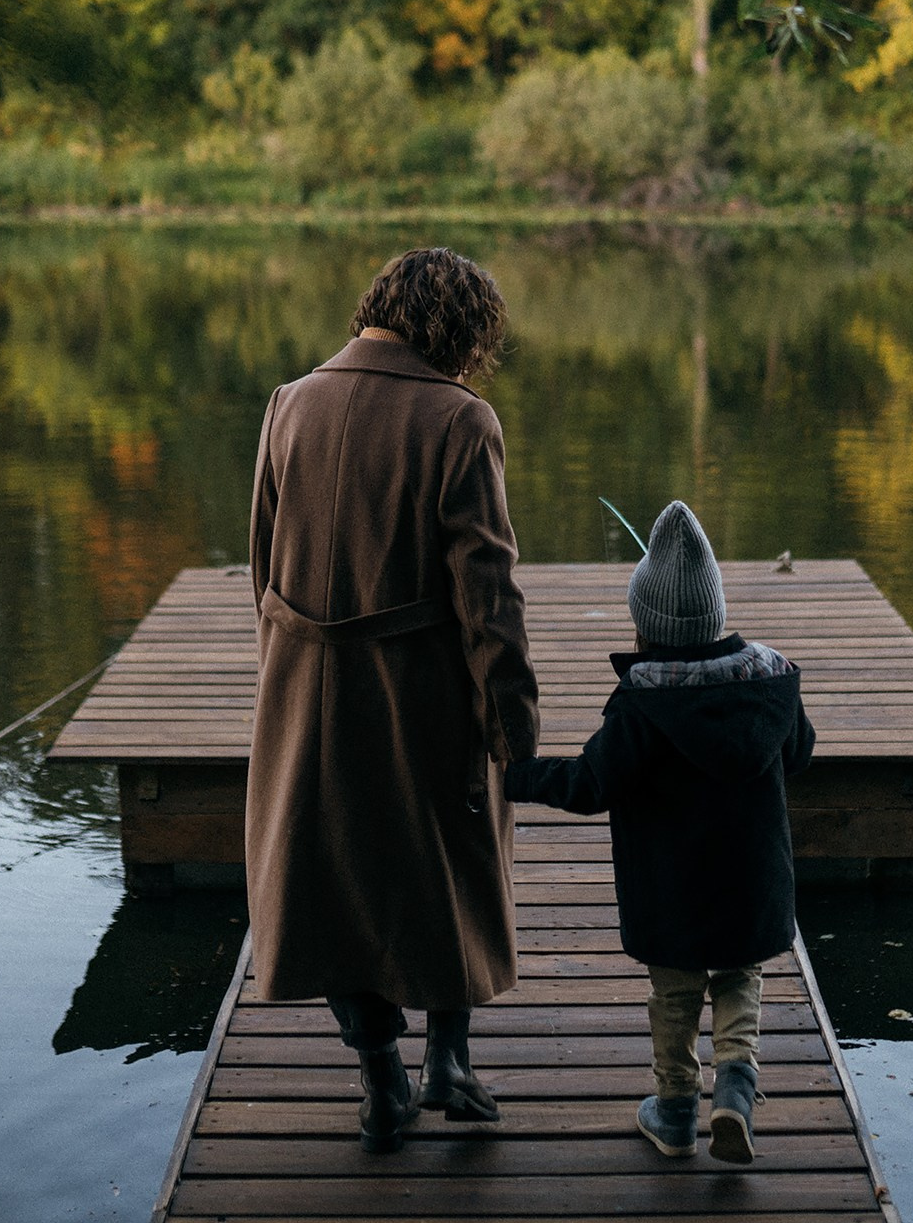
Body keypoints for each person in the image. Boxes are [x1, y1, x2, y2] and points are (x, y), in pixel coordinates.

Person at [244, 247, 538, 1154]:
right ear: (458, 330)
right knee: (449, 864)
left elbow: (262, 561)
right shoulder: (460, 419)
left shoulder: (289, 401)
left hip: (305, 686)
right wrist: (511, 721)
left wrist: (283, 675)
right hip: (422, 690)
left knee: (327, 876)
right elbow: (487, 588)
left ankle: (381, 1082)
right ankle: (448, 1060)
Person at [503, 501, 814, 1165]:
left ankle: (675, 1111)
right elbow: (798, 754)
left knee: (674, 994)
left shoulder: (643, 701)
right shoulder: (773, 679)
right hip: (752, 885)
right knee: (739, 978)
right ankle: (736, 1086)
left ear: (644, 625)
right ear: (717, 613)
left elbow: (591, 783)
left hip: (670, 892)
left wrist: (514, 777)